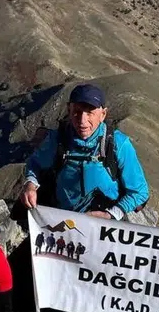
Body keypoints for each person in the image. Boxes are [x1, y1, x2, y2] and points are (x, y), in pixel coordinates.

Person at [20, 83, 149, 220]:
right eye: (77, 111)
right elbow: (35, 165)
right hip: (63, 221)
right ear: (68, 110)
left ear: (102, 114)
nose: (82, 120)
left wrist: (111, 214)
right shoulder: (57, 139)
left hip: (106, 224)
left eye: (90, 113)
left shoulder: (118, 144)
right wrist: (30, 185)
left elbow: (140, 192)